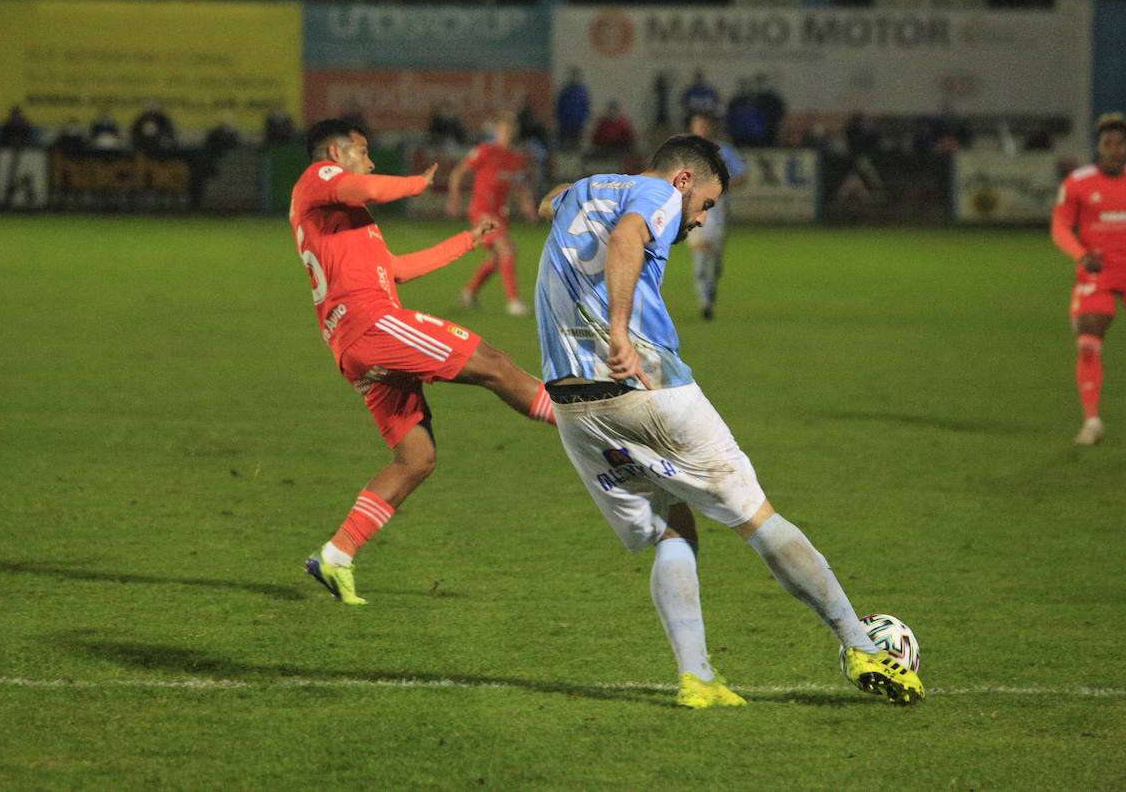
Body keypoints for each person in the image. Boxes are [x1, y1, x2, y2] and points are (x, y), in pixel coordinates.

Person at [533, 133, 924, 708]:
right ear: (683, 180)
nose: (699, 219)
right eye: (706, 205)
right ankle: (861, 644)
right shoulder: (659, 193)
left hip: (574, 405)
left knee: (674, 524)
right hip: (646, 387)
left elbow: (548, 202)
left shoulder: (589, 189)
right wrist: (619, 333)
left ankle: (698, 680)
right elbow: (624, 238)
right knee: (756, 516)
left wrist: (571, 198)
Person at [292, 118, 557, 604]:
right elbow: (365, 183)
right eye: (364, 151)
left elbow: (397, 271)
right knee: (493, 364)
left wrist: (467, 241)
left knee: (416, 458)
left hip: (354, 345)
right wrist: (417, 183)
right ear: (335, 152)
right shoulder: (318, 180)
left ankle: (337, 553)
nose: (370, 161)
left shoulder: (346, 222)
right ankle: (586, 426)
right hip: (371, 326)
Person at [1050, 112, 1126, 445]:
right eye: (1108, 143)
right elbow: (1060, 227)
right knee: (1088, 342)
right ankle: (1092, 422)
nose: (1114, 150)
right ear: (1099, 147)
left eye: (1120, 144)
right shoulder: (1078, 182)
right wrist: (1081, 255)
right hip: (1096, 271)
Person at [446, 112, 538, 316]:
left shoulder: (516, 159)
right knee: (507, 248)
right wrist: (454, 198)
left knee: (497, 258)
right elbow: (458, 172)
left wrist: (527, 207)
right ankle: (513, 302)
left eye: (510, 131)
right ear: (497, 133)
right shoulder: (484, 151)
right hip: (481, 211)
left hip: (500, 214)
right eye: (504, 131)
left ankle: (469, 293)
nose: (507, 135)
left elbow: (519, 188)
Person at [684, 111, 747, 321]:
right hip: (694, 210)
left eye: (705, 126)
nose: (702, 130)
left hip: (718, 210)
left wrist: (721, 188)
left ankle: (711, 284)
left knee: (714, 259)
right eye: (698, 126)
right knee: (701, 255)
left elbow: (742, 176)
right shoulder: (685, 154)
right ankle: (705, 302)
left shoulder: (724, 152)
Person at [555, 67, 591, 152]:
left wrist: (584, 120)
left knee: (576, 146)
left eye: (576, 76)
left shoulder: (583, 92)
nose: (574, 78)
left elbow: (585, 107)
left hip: (578, 124)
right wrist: (559, 119)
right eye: (572, 76)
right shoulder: (564, 91)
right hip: (564, 123)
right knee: (562, 145)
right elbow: (559, 106)